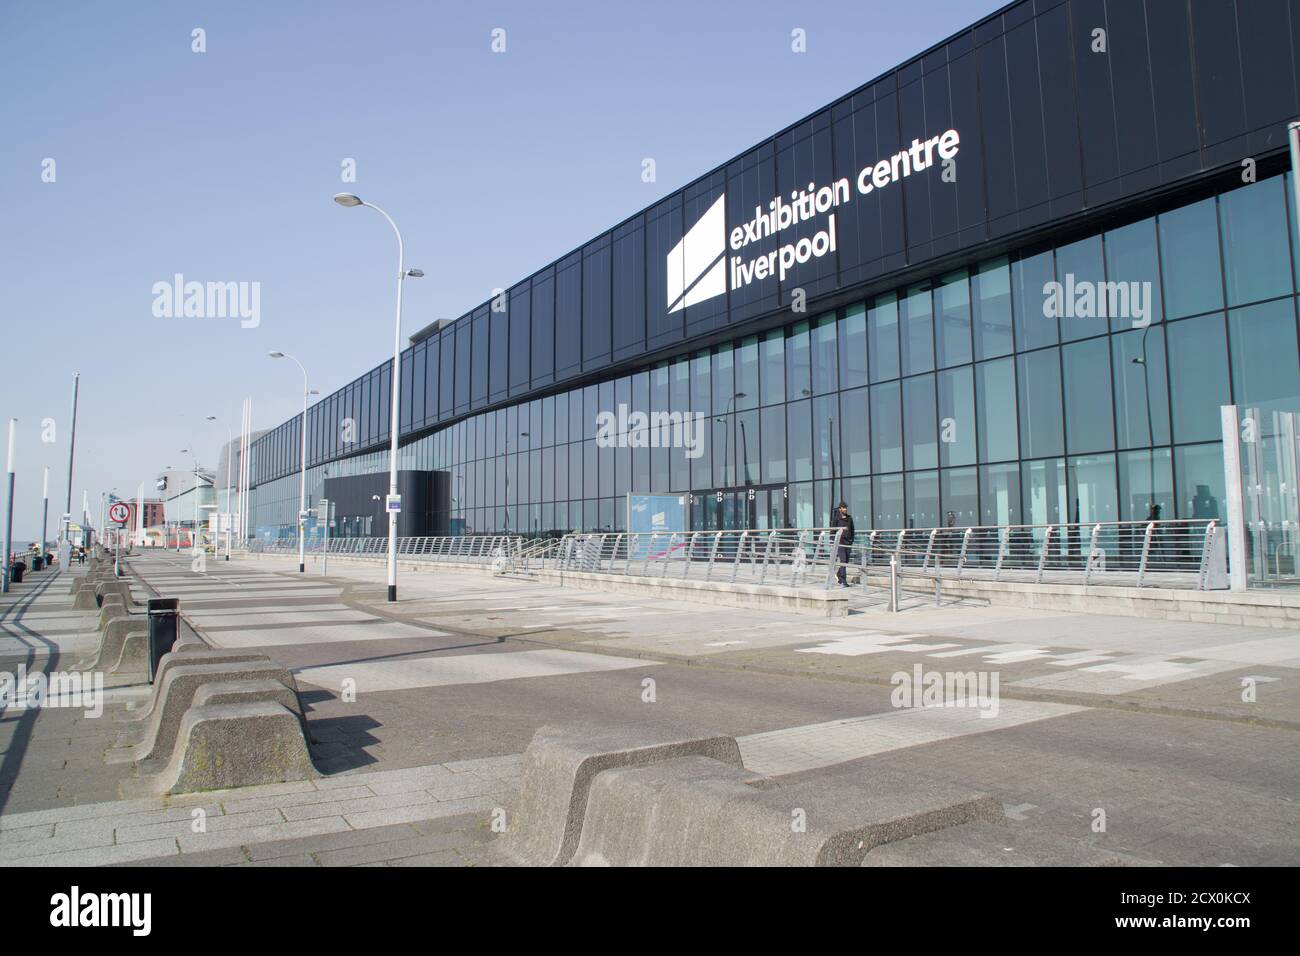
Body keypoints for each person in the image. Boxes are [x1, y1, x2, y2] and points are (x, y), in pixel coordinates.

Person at [832, 501, 855, 586]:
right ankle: (843, 580)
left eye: (846, 508)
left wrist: (851, 540)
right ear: (840, 509)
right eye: (843, 508)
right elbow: (832, 531)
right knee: (843, 561)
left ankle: (839, 574)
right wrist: (835, 542)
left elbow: (852, 530)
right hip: (840, 543)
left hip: (848, 543)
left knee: (846, 561)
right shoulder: (836, 519)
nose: (845, 509)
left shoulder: (849, 518)